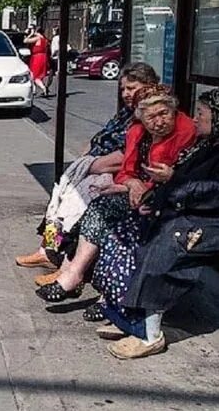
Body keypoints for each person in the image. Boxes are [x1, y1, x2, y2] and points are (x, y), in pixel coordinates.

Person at [97, 88, 219, 359]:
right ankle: (130, 317)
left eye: (202, 114)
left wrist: (172, 187)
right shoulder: (217, 141)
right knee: (138, 230)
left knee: (166, 244)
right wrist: (157, 197)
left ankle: (149, 333)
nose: (196, 119)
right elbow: (187, 178)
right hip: (202, 214)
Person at [36, 83, 197, 303]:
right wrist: (130, 183)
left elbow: (173, 175)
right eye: (151, 117)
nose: (158, 122)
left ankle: (93, 286)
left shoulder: (184, 130)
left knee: (109, 220)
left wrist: (137, 185)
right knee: (84, 202)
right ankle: (59, 260)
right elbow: (126, 171)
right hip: (129, 188)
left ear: (173, 110)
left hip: (163, 197)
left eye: (164, 114)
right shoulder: (134, 128)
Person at [15, 62, 160, 269]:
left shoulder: (147, 117)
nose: (126, 93)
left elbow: (126, 156)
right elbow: (100, 139)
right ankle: (46, 249)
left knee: (74, 203)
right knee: (59, 200)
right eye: (123, 89)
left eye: (131, 88)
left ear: (148, 86)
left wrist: (90, 166)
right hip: (94, 164)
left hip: (112, 174)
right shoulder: (126, 113)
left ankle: (63, 261)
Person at [24, 26, 50, 98]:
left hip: (37, 57)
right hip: (43, 57)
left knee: (35, 76)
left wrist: (30, 34)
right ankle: (34, 90)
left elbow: (25, 41)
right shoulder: (45, 39)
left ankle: (43, 88)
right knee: (36, 74)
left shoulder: (38, 38)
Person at [45, 27, 61, 95]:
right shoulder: (59, 38)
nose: (52, 32)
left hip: (55, 57)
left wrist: (52, 55)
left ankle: (49, 87)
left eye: (53, 30)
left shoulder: (55, 38)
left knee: (54, 73)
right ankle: (47, 87)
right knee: (52, 73)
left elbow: (56, 48)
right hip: (57, 57)